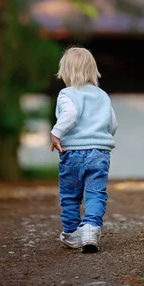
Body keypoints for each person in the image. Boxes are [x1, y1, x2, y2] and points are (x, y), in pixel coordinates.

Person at [51, 47, 117, 253]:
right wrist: (100, 139)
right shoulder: (102, 96)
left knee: (70, 194)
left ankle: (72, 234)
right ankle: (90, 228)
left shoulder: (66, 94)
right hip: (99, 153)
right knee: (96, 192)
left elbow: (70, 115)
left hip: (72, 153)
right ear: (92, 71)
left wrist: (56, 133)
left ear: (65, 72)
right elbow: (112, 124)